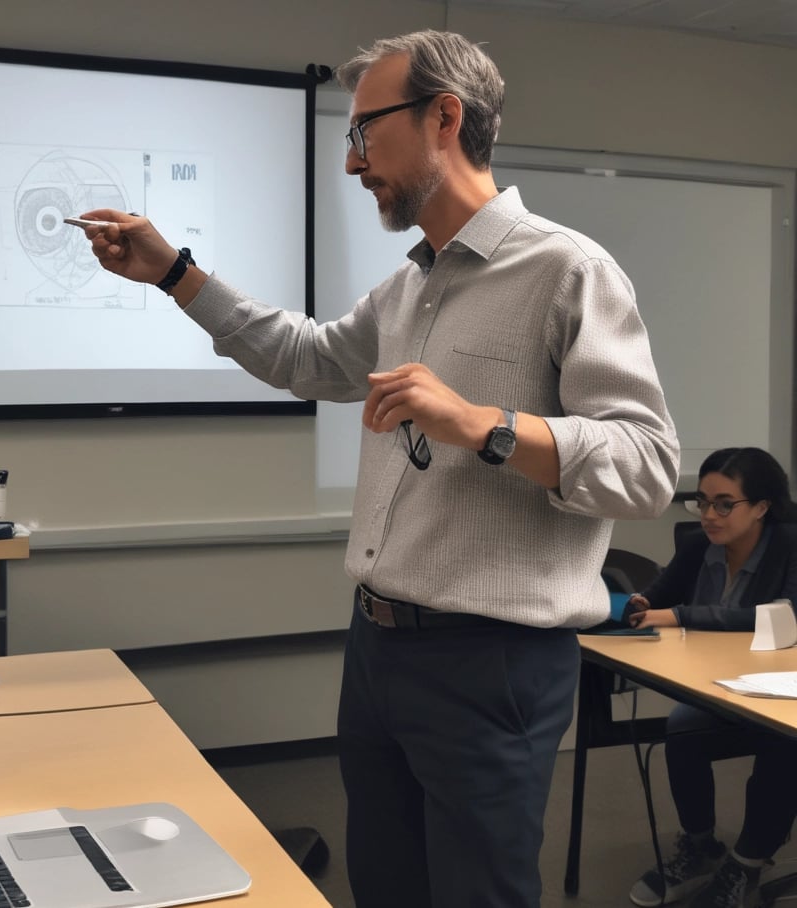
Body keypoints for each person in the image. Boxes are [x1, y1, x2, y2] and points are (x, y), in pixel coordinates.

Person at [80, 29, 679, 908]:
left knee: (478, 893)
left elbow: (647, 467)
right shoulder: (408, 289)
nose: (354, 163)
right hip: (379, 651)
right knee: (387, 888)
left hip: (494, 661)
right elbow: (306, 357)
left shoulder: (568, 271)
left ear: (446, 116)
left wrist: (485, 424)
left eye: (366, 132)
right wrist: (176, 273)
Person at [627, 447, 797, 908]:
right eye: (702, 501)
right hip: (724, 689)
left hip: (783, 693)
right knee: (681, 729)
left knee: (784, 744)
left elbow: (783, 618)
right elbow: (658, 597)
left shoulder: (790, 544)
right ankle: (701, 847)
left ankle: (747, 862)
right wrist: (639, 603)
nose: (709, 514)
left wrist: (680, 614)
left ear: (761, 507)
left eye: (724, 503)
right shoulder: (699, 545)